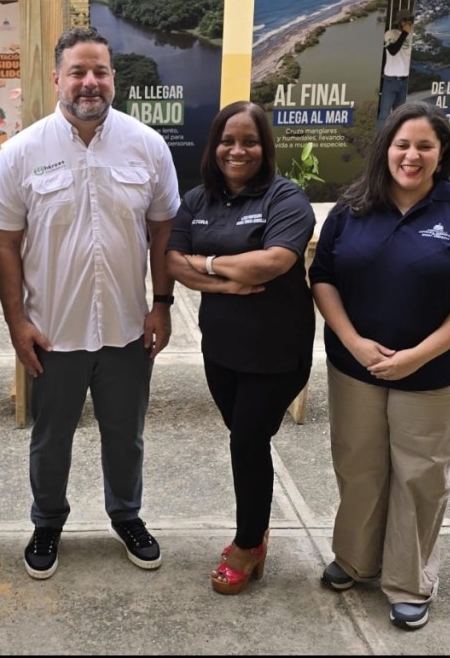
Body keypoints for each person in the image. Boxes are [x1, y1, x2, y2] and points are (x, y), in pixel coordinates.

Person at [0, 26, 180, 580]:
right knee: (50, 440)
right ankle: (47, 521)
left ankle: (127, 515)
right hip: (54, 331)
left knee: (127, 435)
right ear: (56, 80)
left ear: (113, 78)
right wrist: (17, 321)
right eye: (78, 71)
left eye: (99, 71)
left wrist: (162, 304)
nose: (89, 82)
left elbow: (163, 229)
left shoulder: (147, 146)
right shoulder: (22, 154)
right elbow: (5, 242)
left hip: (126, 327)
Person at [309, 102, 450, 630]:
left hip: (437, 373)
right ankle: (355, 560)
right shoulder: (353, 207)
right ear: (385, 149)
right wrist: (352, 341)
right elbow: (322, 276)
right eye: (401, 144)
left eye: (424, 146)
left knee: (421, 475)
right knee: (359, 466)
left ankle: (409, 581)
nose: (411, 155)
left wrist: (421, 354)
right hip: (357, 367)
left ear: (442, 154)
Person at [165, 101, 316, 595]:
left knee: (247, 441)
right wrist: (224, 279)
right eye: (228, 140)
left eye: (249, 141)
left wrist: (204, 265)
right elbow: (173, 263)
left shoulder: (285, 198)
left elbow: (272, 263)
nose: (238, 150)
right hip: (223, 347)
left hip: (277, 351)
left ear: (264, 147)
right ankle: (257, 529)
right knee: (246, 439)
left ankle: (248, 544)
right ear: (214, 146)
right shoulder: (196, 200)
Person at [377, 13, 414, 129]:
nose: (407, 23)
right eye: (404, 20)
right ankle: (379, 142)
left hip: (404, 81)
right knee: (384, 114)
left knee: (399, 116)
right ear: (399, 21)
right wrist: (404, 33)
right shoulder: (390, 34)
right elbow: (393, 50)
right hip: (391, 80)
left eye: (410, 20)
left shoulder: (412, 36)